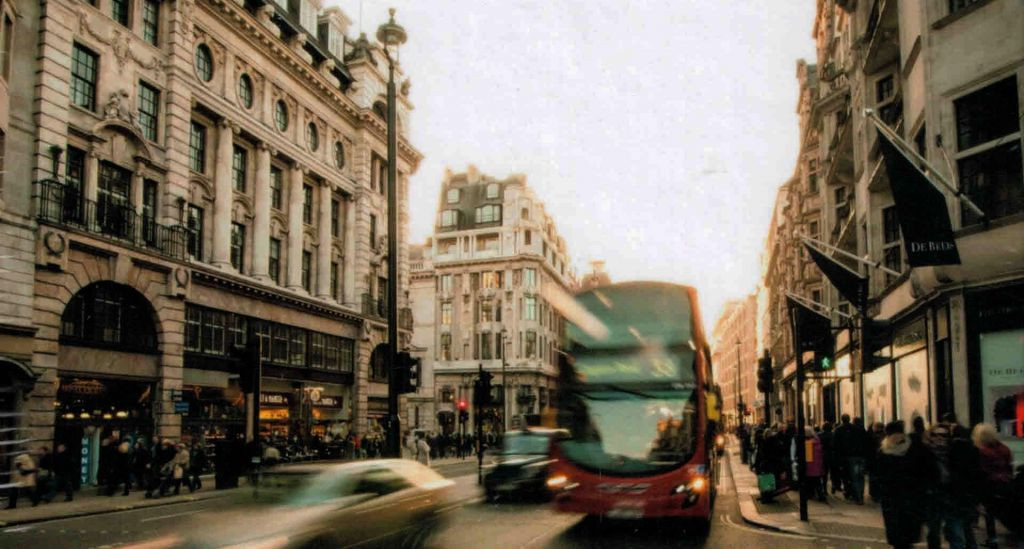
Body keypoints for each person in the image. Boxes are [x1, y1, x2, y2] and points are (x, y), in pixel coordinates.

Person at [874, 420, 935, 549]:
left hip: (903, 498)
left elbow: (878, 475)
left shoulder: (886, 450)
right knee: (903, 533)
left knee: (902, 533)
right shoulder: (913, 447)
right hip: (904, 498)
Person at [926, 412, 981, 549]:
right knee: (934, 533)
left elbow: (966, 475)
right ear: (931, 436)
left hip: (953, 498)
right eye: (936, 435)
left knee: (956, 533)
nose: (940, 438)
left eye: (944, 435)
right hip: (933, 498)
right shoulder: (926, 454)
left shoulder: (956, 452)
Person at [972, 423, 1012, 548]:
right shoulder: (1005, 448)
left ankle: (992, 539)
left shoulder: (982, 452)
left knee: (989, 514)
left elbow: (981, 470)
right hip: (1005, 483)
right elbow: (1009, 466)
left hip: (990, 485)